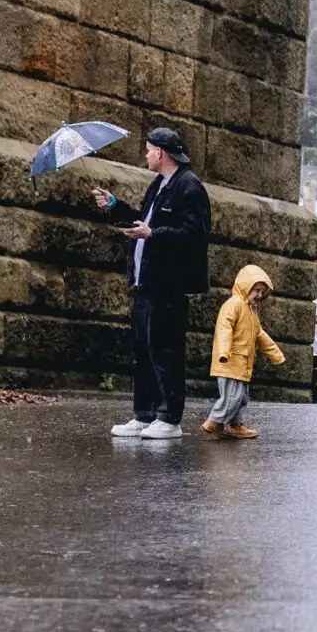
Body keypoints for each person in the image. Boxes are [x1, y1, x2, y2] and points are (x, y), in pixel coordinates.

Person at [91, 128, 211, 442]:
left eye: (148, 150)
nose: (145, 155)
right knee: (143, 351)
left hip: (169, 286)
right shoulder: (159, 184)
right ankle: (144, 415)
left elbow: (195, 236)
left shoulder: (190, 188)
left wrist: (153, 235)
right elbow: (142, 221)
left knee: (165, 351)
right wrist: (114, 205)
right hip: (145, 283)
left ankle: (169, 419)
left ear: (160, 152)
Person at [203, 266, 283, 440]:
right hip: (230, 361)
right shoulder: (234, 304)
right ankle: (214, 421)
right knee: (233, 397)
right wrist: (224, 352)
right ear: (246, 286)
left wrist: (275, 354)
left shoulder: (251, 310)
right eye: (257, 290)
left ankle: (235, 425)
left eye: (262, 292)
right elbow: (224, 328)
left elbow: (259, 334)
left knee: (241, 398)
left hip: (242, 363)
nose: (259, 295)